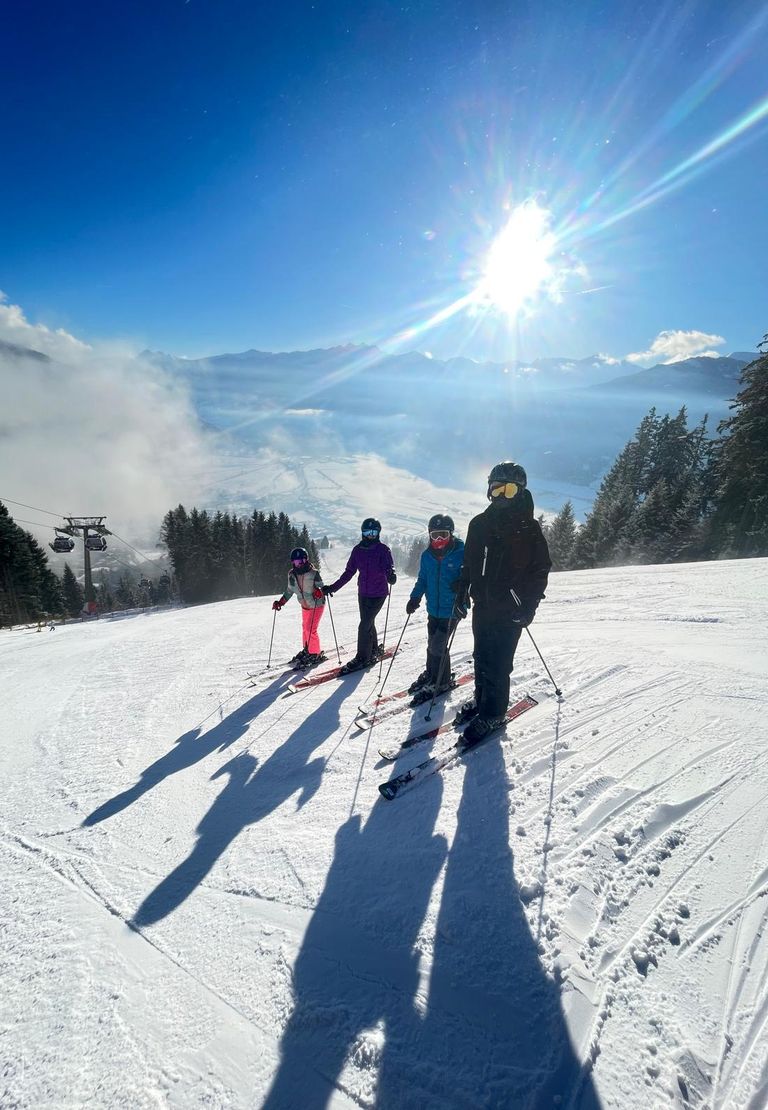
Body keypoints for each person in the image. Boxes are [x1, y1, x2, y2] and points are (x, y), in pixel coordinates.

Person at [453, 461, 551, 745]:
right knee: (481, 657)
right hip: (482, 605)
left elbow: (540, 569)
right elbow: (468, 563)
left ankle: (493, 714)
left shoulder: (529, 529)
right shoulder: (479, 524)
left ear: (520, 492)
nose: (502, 496)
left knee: (498, 663)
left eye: (509, 491)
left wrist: (528, 605)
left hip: (510, 610)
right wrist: (462, 590)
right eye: (497, 490)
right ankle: (482, 702)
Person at [323, 518, 396, 674]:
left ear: (378, 533)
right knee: (368, 622)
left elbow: (389, 567)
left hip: (379, 593)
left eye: (374, 532)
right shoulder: (357, 550)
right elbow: (349, 572)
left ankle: (363, 657)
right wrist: (333, 587)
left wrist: (391, 575)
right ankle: (373, 648)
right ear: (362, 533)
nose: (371, 535)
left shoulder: (383, 550)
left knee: (364, 624)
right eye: (368, 532)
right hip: (363, 593)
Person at [406, 513, 466, 702]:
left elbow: (472, 576)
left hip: (452, 608)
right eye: (435, 535)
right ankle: (432, 673)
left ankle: (442, 681)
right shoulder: (427, 556)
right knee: (432, 643)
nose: (439, 540)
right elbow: (422, 579)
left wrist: (463, 584)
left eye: (443, 535)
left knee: (438, 646)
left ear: (451, 534)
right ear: (429, 535)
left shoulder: (461, 553)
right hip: (433, 609)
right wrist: (414, 598)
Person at [272, 548, 327, 668]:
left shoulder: (314, 573)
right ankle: (307, 649)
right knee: (305, 628)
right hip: (305, 606)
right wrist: (280, 602)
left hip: (317, 604)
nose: (300, 564)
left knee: (310, 629)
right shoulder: (292, 575)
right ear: (293, 562)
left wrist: (319, 591)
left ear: (306, 560)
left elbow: (322, 587)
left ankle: (315, 653)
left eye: (302, 561)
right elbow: (289, 591)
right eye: (297, 562)